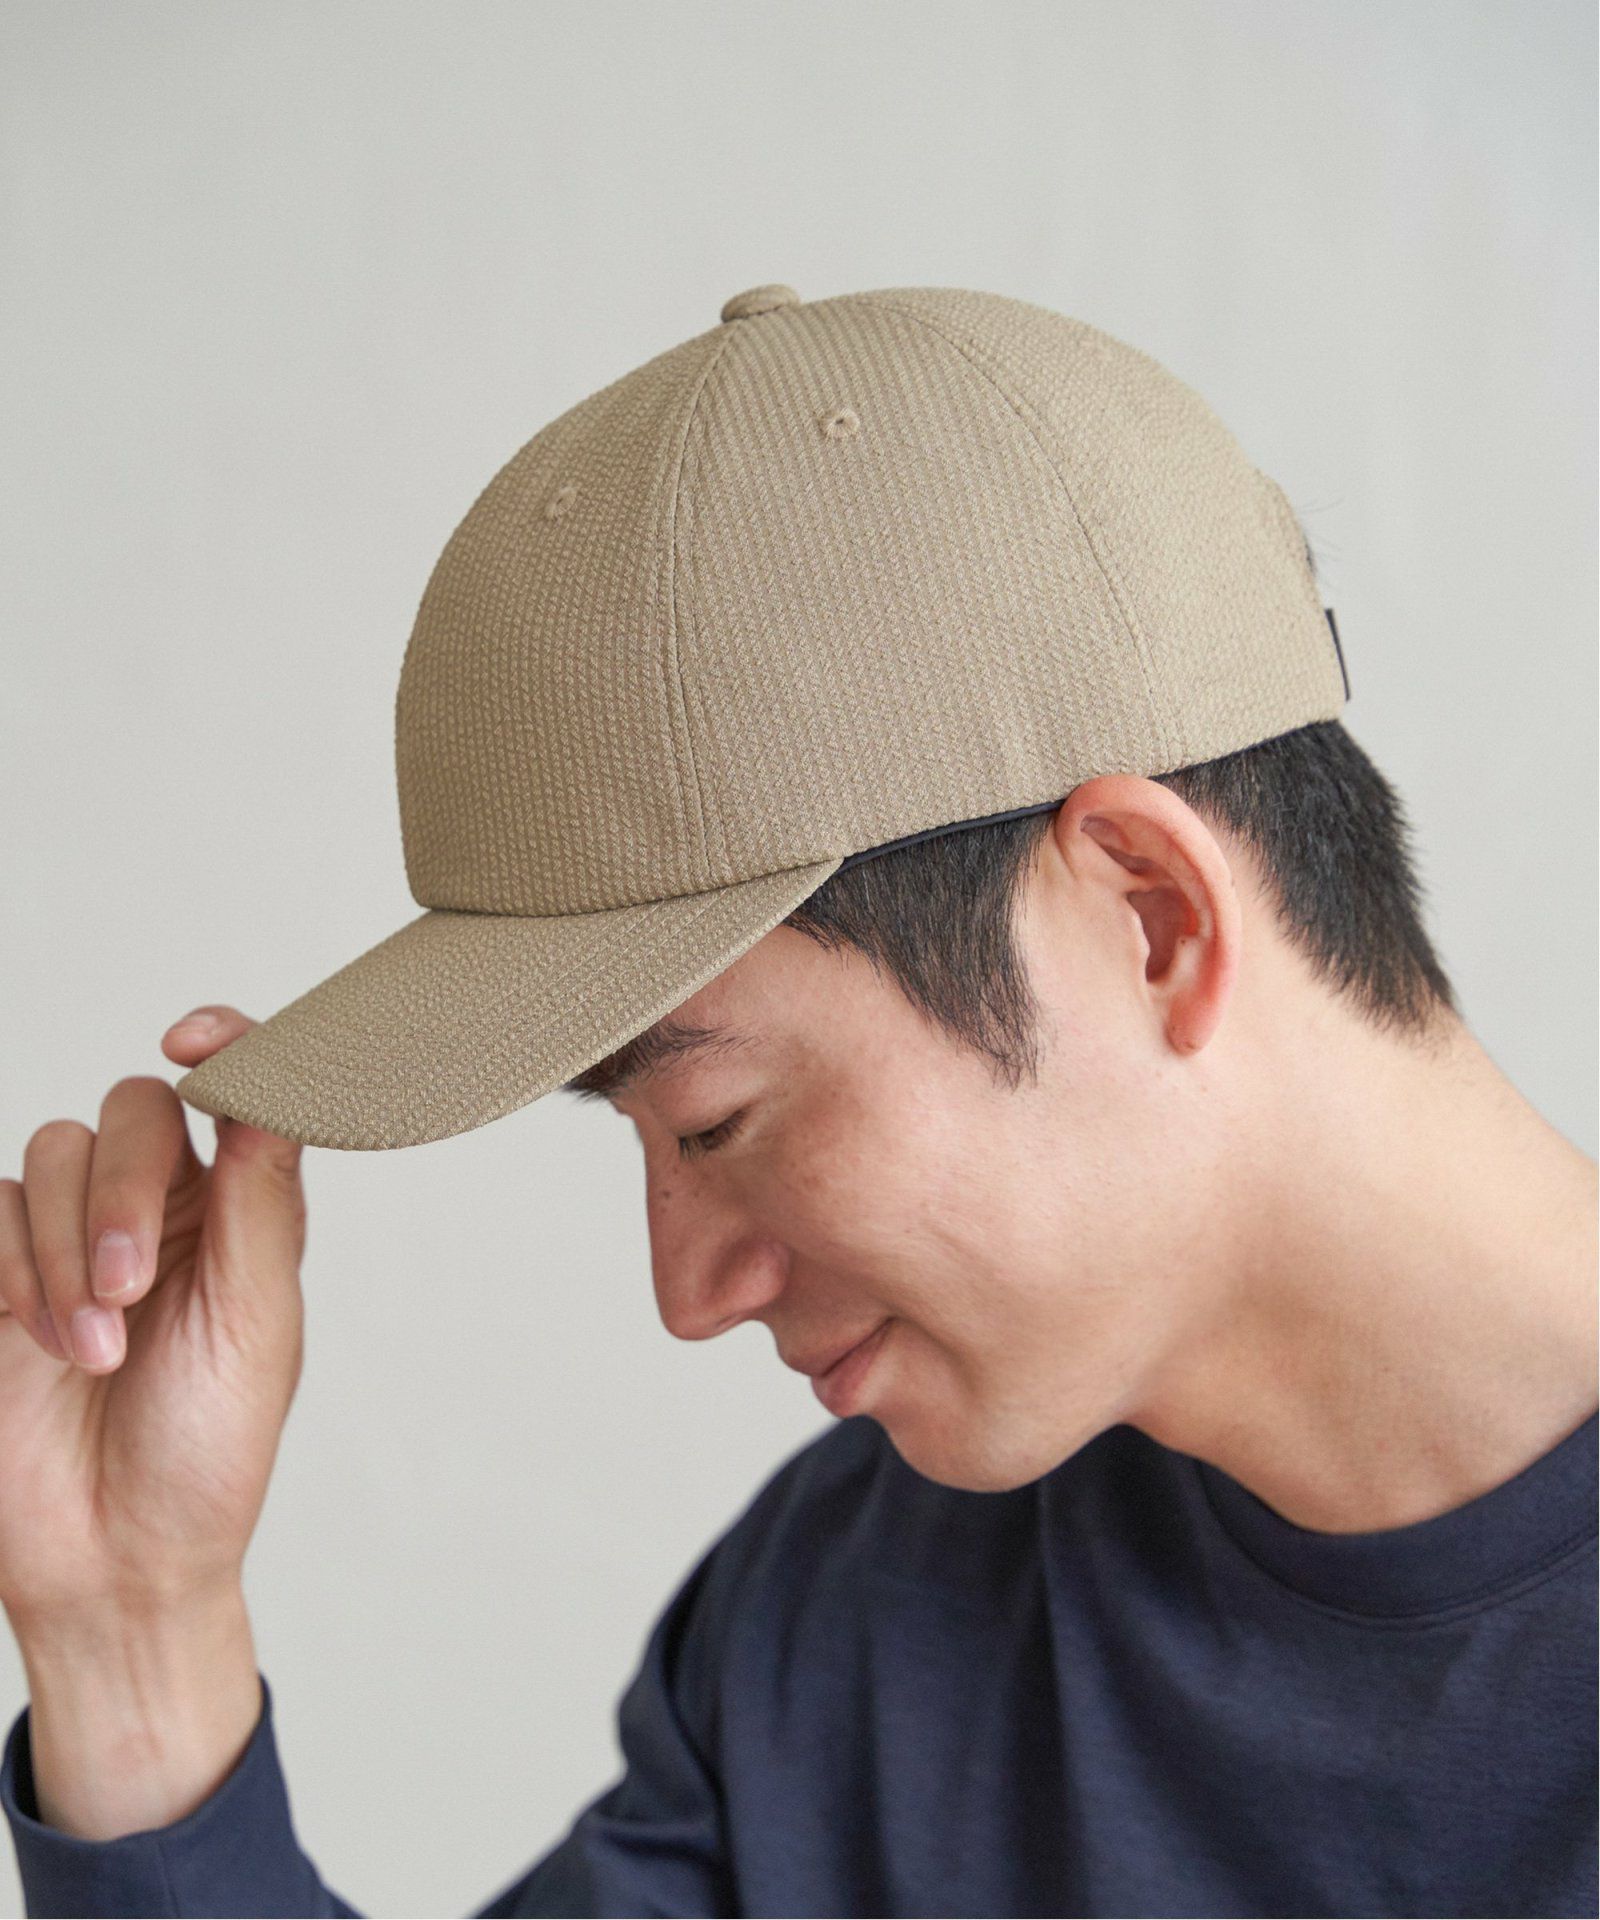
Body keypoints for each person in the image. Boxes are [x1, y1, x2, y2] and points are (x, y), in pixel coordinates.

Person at [1, 283, 1594, 1919]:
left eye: (713, 1121)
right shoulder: (873, 1606)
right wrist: (132, 1634)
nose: (686, 1295)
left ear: (1148, 918)